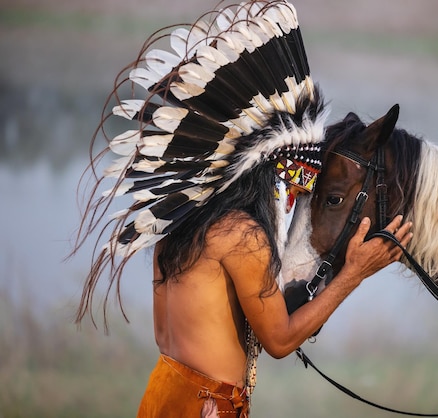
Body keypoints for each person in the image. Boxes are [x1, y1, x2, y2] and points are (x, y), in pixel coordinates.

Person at [71, 1, 411, 417]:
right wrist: (354, 273)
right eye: (287, 183)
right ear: (264, 172)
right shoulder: (240, 234)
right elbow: (280, 341)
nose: (288, 197)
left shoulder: (183, 221)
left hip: (162, 396)